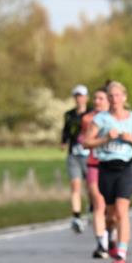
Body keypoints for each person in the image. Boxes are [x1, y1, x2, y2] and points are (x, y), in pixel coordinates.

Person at [82, 81, 132, 263]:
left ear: (124, 97)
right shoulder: (101, 119)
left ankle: (122, 254)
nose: (114, 99)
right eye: (111, 96)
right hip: (106, 168)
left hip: (126, 167)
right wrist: (106, 138)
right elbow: (86, 143)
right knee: (110, 215)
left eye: (117, 95)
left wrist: (130, 139)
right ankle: (111, 237)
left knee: (121, 211)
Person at [82, 88, 111, 259]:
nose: (97, 101)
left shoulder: (118, 119)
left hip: (114, 167)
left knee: (113, 210)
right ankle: (102, 243)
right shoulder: (88, 119)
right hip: (94, 164)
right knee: (98, 203)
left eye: (101, 98)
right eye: (95, 98)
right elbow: (85, 140)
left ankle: (111, 235)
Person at [61, 84, 90, 232]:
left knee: (91, 187)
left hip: (89, 155)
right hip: (74, 154)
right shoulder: (69, 115)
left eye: (81, 96)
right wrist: (63, 142)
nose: (79, 99)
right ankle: (76, 216)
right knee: (75, 186)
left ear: (86, 98)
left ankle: (91, 208)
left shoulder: (92, 114)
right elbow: (65, 131)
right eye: (76, 96)